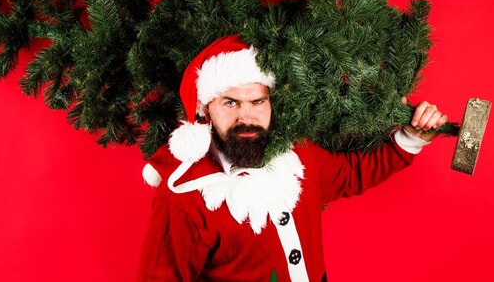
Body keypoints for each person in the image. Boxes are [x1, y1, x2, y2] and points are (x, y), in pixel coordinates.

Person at [137, 35, 447, 282]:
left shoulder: (299, 155)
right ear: (206, 110)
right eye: (230, 103)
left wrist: (410, 139)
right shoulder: (183, 197)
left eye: (257, 101)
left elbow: (351, 174)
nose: (247, 116)